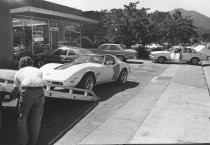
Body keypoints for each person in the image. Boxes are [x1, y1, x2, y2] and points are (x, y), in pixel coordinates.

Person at [11, 56, 45, 145]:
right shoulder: (38, 70)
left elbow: (15, 89)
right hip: (40, 91)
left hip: (27, 92)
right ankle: (33, 143)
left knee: (23, 117)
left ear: (21, 64)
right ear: (31, 63)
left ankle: (22, 142)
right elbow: (39, 81)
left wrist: (10, 98)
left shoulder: (19, 72)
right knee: (36, 119)